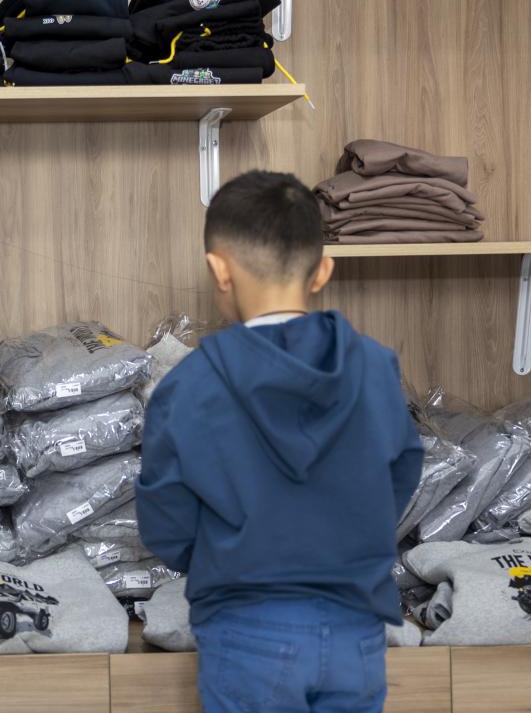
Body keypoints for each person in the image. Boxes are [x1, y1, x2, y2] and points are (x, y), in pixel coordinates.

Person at [136, 170, 423, 713]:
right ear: (323, 270)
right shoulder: (375, 368)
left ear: (219, 270)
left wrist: (223, 555)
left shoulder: (188, 387)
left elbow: (165, 517)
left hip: (244, 625)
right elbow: (402, 473)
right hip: (356, 626)